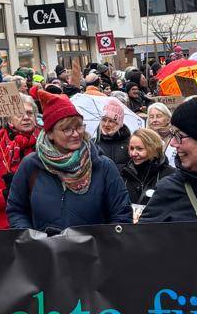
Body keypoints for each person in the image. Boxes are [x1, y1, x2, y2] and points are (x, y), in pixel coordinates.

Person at [7, 87, 131, 231]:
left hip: (93, 252)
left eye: (79, 127)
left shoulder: (102, 166)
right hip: (44, 251)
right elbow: (16, 210)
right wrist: (32, 240)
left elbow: (122, 215)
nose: (75, 133)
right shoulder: (31, 166)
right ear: (50, 133)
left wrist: (100, 245)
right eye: (67, 129)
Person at [0, 94, 39, 230]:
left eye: (29, 113)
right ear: (9, 120)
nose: (26, 117)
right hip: (9, 229)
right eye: (19, 114)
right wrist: (6, 193)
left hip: (42, 225)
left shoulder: (48, 147)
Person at [122, 128, 168, 209]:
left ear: (154, 148)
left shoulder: (169, 175)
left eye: (139, 149)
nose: (133, 153)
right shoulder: (123, 174)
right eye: (131, 148)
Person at [91, 96, 133, 172]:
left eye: (111, 121)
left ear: (119, 124)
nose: (106, 124)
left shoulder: (130, 143)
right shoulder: (93, 143)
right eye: (104, 120)